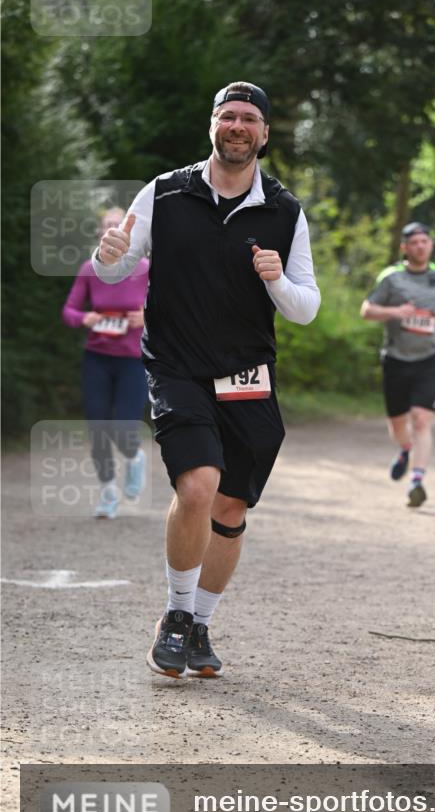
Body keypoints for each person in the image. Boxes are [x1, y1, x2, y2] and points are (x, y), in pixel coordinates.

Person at [93, 81, 320, 680]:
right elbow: (111, 269)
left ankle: (200, 624)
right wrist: (109, 252)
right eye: (228, 116)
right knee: (196, 486)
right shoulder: (166, 193)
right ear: (213, 125)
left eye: (249, 118)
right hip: (176, 366)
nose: (238, 126)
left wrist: (275, 279)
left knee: (231, 505)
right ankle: (173, 616)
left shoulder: (286, 212)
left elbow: (305, 307)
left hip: (247, 374)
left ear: (265, 133)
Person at [360, 222, 435, 508]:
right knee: (397, 423)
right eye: (414, 242)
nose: (420, 246)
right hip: (396, 358)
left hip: (432, 357)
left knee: (421, 419)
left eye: (425, 241)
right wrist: (395, 311)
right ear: (404, 247)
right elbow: (366, 310)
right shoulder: (391, 278)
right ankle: (405, 450)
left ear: (431, 245)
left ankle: (416, 480)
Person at [62, 207, 149, 519]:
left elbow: (171, 311)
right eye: (107, 225)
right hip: (97, 358)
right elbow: (69, 311)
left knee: (123, 426)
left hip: (133, 361)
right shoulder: (89, 269)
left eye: (118, 224)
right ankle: (108, 494)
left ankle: (134, 457)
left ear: (128, 234)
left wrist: (146, 316)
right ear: (101, 234)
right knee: (98, 428)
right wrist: (86, 317)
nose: (113, 229)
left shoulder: (146, 268)